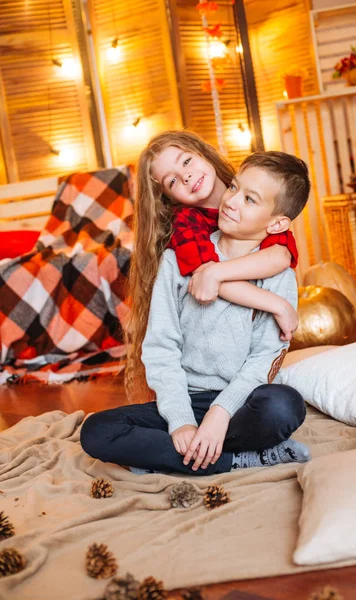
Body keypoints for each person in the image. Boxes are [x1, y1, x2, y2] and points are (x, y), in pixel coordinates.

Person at [80, 150, 311, 475]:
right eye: (233, 188)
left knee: (284, 406)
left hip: (239, 401)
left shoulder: (279, 274)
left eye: (250, 199)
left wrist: (220, 414)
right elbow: (161, 348)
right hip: (185, 397)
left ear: (276, 223)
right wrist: (180, 422)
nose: (231, 201)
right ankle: (237, 459)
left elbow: (263, 361)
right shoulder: (178, 259)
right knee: (96, 431)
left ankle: (177, 455)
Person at [124, 131, 300, 400]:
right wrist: (277, 304)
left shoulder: (248, 186)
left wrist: (217, 271)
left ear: (203, 153)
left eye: (186, 162)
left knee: (281, 403)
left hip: (247, 359)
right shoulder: (185, 225)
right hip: (203, 360)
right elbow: (204, 282)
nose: (186, 177)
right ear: (169, 198)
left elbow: (281, 255)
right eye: (172, 181)